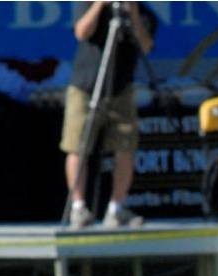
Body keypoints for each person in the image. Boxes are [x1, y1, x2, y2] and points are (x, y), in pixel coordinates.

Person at [63, 0, 157, 229]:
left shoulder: (142, 12)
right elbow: (82, 32)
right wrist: (99, 5)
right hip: (86, 86)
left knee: (125, 147)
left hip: (121, 88)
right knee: (78, 146)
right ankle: (78, 207)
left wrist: (132, 13)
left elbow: (146, 46)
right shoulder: (88, 4)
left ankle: (116, 208)